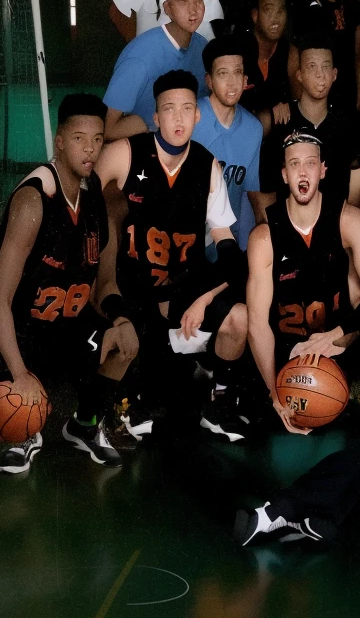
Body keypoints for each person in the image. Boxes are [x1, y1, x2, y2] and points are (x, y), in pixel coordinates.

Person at [0, 94, 138, 474]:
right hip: (20, 331)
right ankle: (25, 434)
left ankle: (84, 425)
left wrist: (120, 319)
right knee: (11, 407)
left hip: (68, 325)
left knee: (125, 342)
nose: (90, 149)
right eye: (80, 138)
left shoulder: (96, 196)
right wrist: (18, 373)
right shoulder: (34, 201)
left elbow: (106, 281)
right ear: (59, 141)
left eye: (98, 139)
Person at [95, 71, 250, 443]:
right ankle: (116, 404)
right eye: (169, 110)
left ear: (197, 115)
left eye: (186, 109)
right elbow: (85, 205)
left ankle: (218, 405)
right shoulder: (125, 153)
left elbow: (227, 246)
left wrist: (206, 298)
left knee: (238, 318)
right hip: (133, 285)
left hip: (183, 287)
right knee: (122, 348)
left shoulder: (208, 167)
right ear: (155, 117)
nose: (178, 119)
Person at [245, 132, 360, 435]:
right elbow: (258, 325)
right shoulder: (264, 236)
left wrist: (337, 337)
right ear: (285, 174)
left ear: (323, 170)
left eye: (310, 163)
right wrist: (278, 394)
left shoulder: (348, 220)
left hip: (336, 340)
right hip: (289, 349)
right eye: (295, 164)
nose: (303, 172)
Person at [259, 37, 360, 207]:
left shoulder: (349, 124)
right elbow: (266, 191)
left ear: (334, 74)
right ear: (299, 75)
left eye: (325, 67)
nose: (320, 74)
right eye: (311, 66)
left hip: (337, 224)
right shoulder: (282, 120)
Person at [102, 0, 209, 141]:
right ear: (168, 8)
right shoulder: (140, 56)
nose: (193, 10)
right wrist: (143, 125)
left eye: (198, 1)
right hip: (144, 146)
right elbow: (106, 128)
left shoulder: (202, 47)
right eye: (182, 1)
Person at [191, 36, 267, 253]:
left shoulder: (253, 129)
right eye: (223, 74)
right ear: (209, 80)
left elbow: (252, 192)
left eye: (237, 73)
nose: (232, 82)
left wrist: (262, 231)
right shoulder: (191, 117)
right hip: (184, 237)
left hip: (225, 243)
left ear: (245, 80)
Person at [239, 0, 298, 138]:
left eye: (281, 11)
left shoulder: (289, 52)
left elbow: (299, 101)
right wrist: (268, 112)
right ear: (255, 15)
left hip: (276, 132)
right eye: (268, 10)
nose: (275, 18)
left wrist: (286, 105)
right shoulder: (239, 50)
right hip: (240, 130)